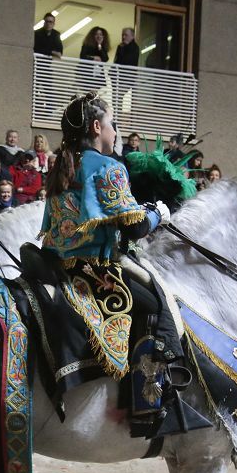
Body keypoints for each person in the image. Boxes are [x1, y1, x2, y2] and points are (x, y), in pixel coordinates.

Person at [40, 92, 177, 362]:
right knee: (159, 307)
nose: (115, 132)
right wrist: (158, 215)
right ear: (96, 127)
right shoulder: (107, 166)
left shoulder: (62, 164)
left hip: (56, 262)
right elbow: (135, 229)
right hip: (93, 269)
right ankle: (150, 388)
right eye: (113, 124)